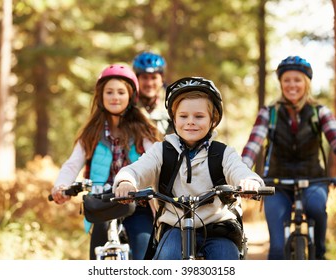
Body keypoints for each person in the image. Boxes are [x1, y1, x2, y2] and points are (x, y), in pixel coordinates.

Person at [113, 76, 264, 260]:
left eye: (199, 116)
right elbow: (137, 169)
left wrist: (249, 182)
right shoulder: (161, 151)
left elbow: (240, 171)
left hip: (218, 227)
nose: (190, 121)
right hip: (175, 226)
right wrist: (126, 181)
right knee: (166, 258)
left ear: (212, 120)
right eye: (183, 116)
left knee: (227, 260)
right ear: (174, 120)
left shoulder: (222, 153)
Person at [241, 55, 336, 260]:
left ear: (306, 83)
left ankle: (319, 255)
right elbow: (253, 145)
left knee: (316, 209)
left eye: (297, 80)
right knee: (277, 249)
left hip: (313, 179)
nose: (291, 85)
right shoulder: (270, 113)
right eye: (287, 80)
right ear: (281, 83)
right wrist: (241, 173)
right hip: (276, 182)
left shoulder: (320, 112)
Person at [51, 64, 161, 260]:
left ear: (131, 97)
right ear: (101, 96)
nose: (115, 97)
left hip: (138, 203)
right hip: (104, 203)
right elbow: (72, 164)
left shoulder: (142, 129)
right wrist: (61, 186)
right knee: (98, 254)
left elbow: (156, 157)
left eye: (121, 92)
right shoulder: (92, 132)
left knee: (145, 251)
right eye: (109, 92)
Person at [133, 51, 172, 135]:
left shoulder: (173, 104)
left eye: (154, 78)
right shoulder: (128, 104)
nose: (149, 83)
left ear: (162, 79)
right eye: (144, 77)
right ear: (137, 79)